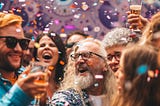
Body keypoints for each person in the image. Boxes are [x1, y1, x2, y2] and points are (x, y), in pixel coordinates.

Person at [0, 12, 49, 105]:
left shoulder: (26, 76)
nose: (18, 49)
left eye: (23, 43)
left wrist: (42, 102)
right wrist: (20, 94)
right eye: (11, 41)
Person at [50, 38, 109, 106]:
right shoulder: (67, 97)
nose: (79, 60)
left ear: (104, 63)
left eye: (86, 55)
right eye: (76, 56)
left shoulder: (118, 97)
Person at [33, 32, 67, 105]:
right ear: (36, 55)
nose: (46, 47)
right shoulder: (28, 82)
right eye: (42, 45)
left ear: (59, 54)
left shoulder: (67, 84)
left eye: (52, 45)